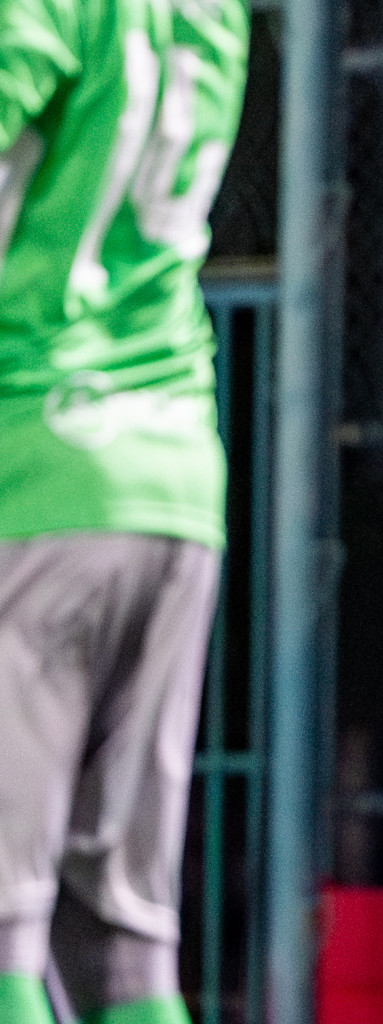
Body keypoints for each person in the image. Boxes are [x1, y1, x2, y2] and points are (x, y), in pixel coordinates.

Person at [0, 0, 248, 1021]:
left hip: (39, 455)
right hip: (178, 476)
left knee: (6, 923)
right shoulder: (215, 14)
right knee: (129, 938)